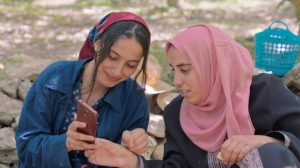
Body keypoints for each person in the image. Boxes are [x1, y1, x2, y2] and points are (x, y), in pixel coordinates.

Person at [83, 24, 300, 168]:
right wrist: (133, 162)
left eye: (185, 69)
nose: (177, 81)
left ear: (213, 65)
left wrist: (269, 140)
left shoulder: (264, 92)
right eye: (173, 70)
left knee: (271, 153)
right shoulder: (177, 112)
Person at [16, 12, 151, 168]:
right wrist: (65, 143)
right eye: (113, 57)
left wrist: (132, 148)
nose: (117, 71)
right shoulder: (54, 78)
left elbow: (132, 160)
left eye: (131, 65)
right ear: (97, 43)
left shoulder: (134, 99)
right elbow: (25, 147)